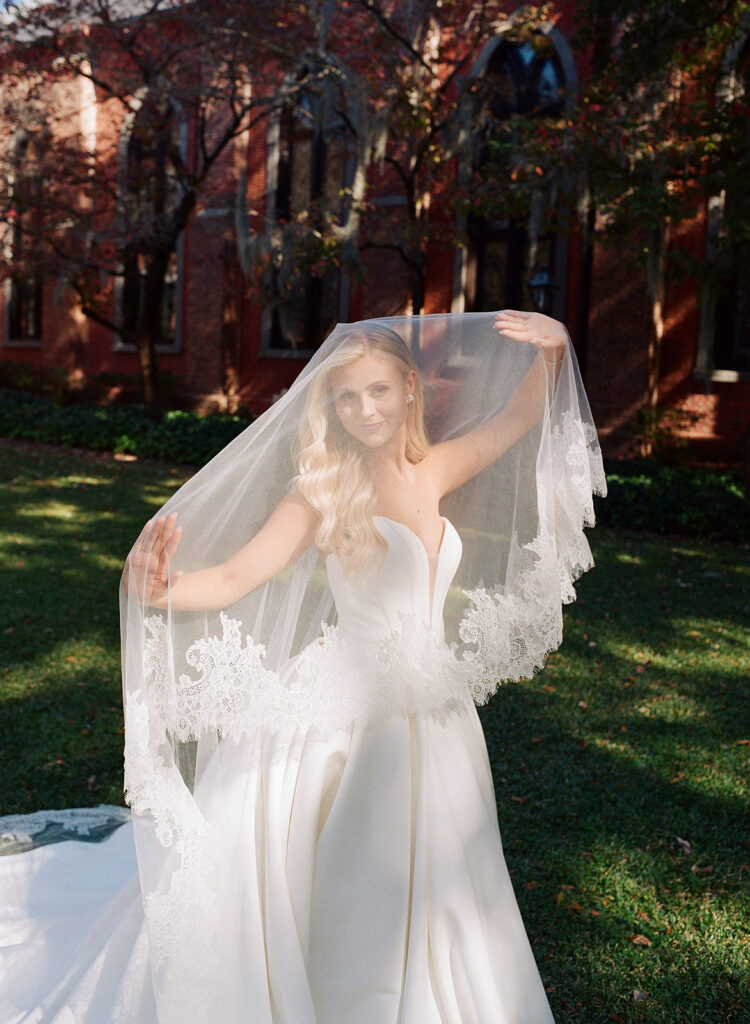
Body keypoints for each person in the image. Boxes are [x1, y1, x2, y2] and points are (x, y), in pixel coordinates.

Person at [0, 311, 605, 1024]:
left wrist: (557, 347)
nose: (364, 409)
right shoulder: (322, 490)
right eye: (346, 398)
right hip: (350, 710)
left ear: (411, 388)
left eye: (378, 391)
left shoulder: (434, 469)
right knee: (353, 870)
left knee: (446, 861)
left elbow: (518, 417)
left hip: (433, 712)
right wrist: (163, 590)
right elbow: (233, 577)